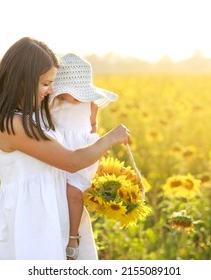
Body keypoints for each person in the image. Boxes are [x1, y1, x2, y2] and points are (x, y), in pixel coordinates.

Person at [0, 37, 130, 260]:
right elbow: (71, 161)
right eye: (46, 83)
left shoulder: (36, 116)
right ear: (22, 81)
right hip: (34, 225)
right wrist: (111, 138)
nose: (51, 90)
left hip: (52, 214)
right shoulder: (13, 125)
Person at [49, 53, 118, 260]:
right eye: (74, 92)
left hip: (83, 151)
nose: (79, 97)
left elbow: (93, 125)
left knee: (74, 193)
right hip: (58, 151)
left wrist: (97, 146)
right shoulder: (53, 103)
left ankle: (73, 237)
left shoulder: (91, 103)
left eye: (82, 92)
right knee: (52, 194)